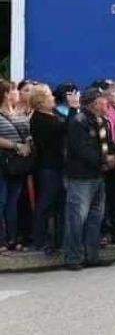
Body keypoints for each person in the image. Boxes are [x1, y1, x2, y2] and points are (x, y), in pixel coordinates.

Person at [63, 88, 115, 270]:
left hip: (97, 175)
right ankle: (73, 258)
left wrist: (113, 155)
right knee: (76, 219)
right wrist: (104, 160)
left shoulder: (101, 121)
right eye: (103, 101)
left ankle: (91, 255)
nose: (107, 104)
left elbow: (105, 144)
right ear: (94, 103)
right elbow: (81, 149)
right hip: (81, 177)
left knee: (96, 218)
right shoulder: (79, 121)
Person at [29, 84, 71, 253]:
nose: (53, 98)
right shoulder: (39, 118)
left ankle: (59, 240)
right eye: (49, 96)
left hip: (59, 165)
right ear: (40, 101)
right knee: (45, 203)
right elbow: (63, 129)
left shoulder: (54, 114)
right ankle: (41, 239)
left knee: (61, 203)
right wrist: (73, 109)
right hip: (48, 166)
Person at [94, 80, 115, 246]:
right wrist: (107, 157)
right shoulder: (99, 111)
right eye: (113, 91)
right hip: (104, 159)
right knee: (103, 199)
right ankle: (102, 232)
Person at [0, 80, 32, 251]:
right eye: (13, 90)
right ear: (6, 93)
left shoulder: (20, 114)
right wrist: (17, 146)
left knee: (13, 202)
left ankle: (11, 239)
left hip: (17, 164)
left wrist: (27, 142)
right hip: (3, 162)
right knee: (2, 201)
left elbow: (28, 133)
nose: (17, 93)